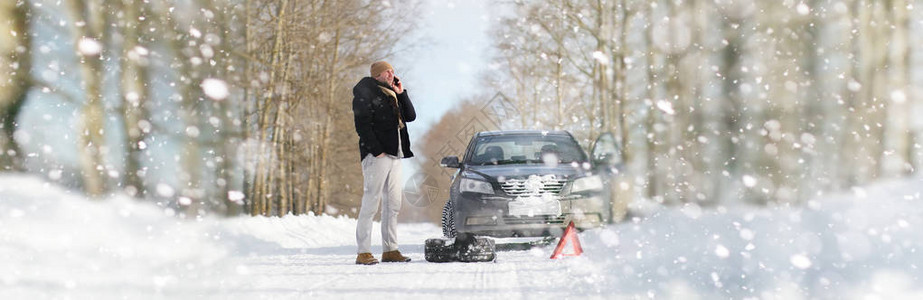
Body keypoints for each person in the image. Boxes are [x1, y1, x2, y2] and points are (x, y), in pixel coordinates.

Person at [351, 61, 416, 265]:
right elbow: (362, 125)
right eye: (387, 71)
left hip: (396, 155)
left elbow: (411, 117)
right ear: (377, 74)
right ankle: (363, 252)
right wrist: (376, 150)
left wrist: (402, 93)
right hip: (377, 156)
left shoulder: (393, 95)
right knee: (371, 202)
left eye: (392, 71)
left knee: (393, 205)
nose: (391, 74)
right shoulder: (366, 92)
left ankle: (390, 250)